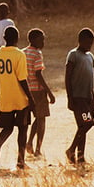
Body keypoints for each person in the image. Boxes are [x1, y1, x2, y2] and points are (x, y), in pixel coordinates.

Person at [0, 26, 35, 170]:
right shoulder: (19, 54)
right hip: (20, 98)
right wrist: (30, 98)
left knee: (7, 127)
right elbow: (22, 79)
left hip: (6, 97)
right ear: (17, 38)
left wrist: (1, 94)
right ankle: (21, 161)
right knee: (22, 128)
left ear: (4, 38)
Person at [65, 28, 94, 166]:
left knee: (82, 126)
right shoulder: (73, 55)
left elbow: (91, 80)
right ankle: (71, 150)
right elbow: (67, 77)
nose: (89, 46)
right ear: (80, 40)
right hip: (78, 98)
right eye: (87, 43)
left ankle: (80, 157)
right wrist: (70, 98)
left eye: (91, 43)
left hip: (87, 98)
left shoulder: (90, 57)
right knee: (87, 123)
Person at [23, 29, 55, 157]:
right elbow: (38, 74)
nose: (43, 42)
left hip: (26, 90)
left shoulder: (23, 52)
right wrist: (49, 92)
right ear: (34, 40)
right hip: (38, 91)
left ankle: (29, 143)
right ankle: (37, 149)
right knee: (42, 120)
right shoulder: (37, 53)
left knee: (38, 117)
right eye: (41, 39)